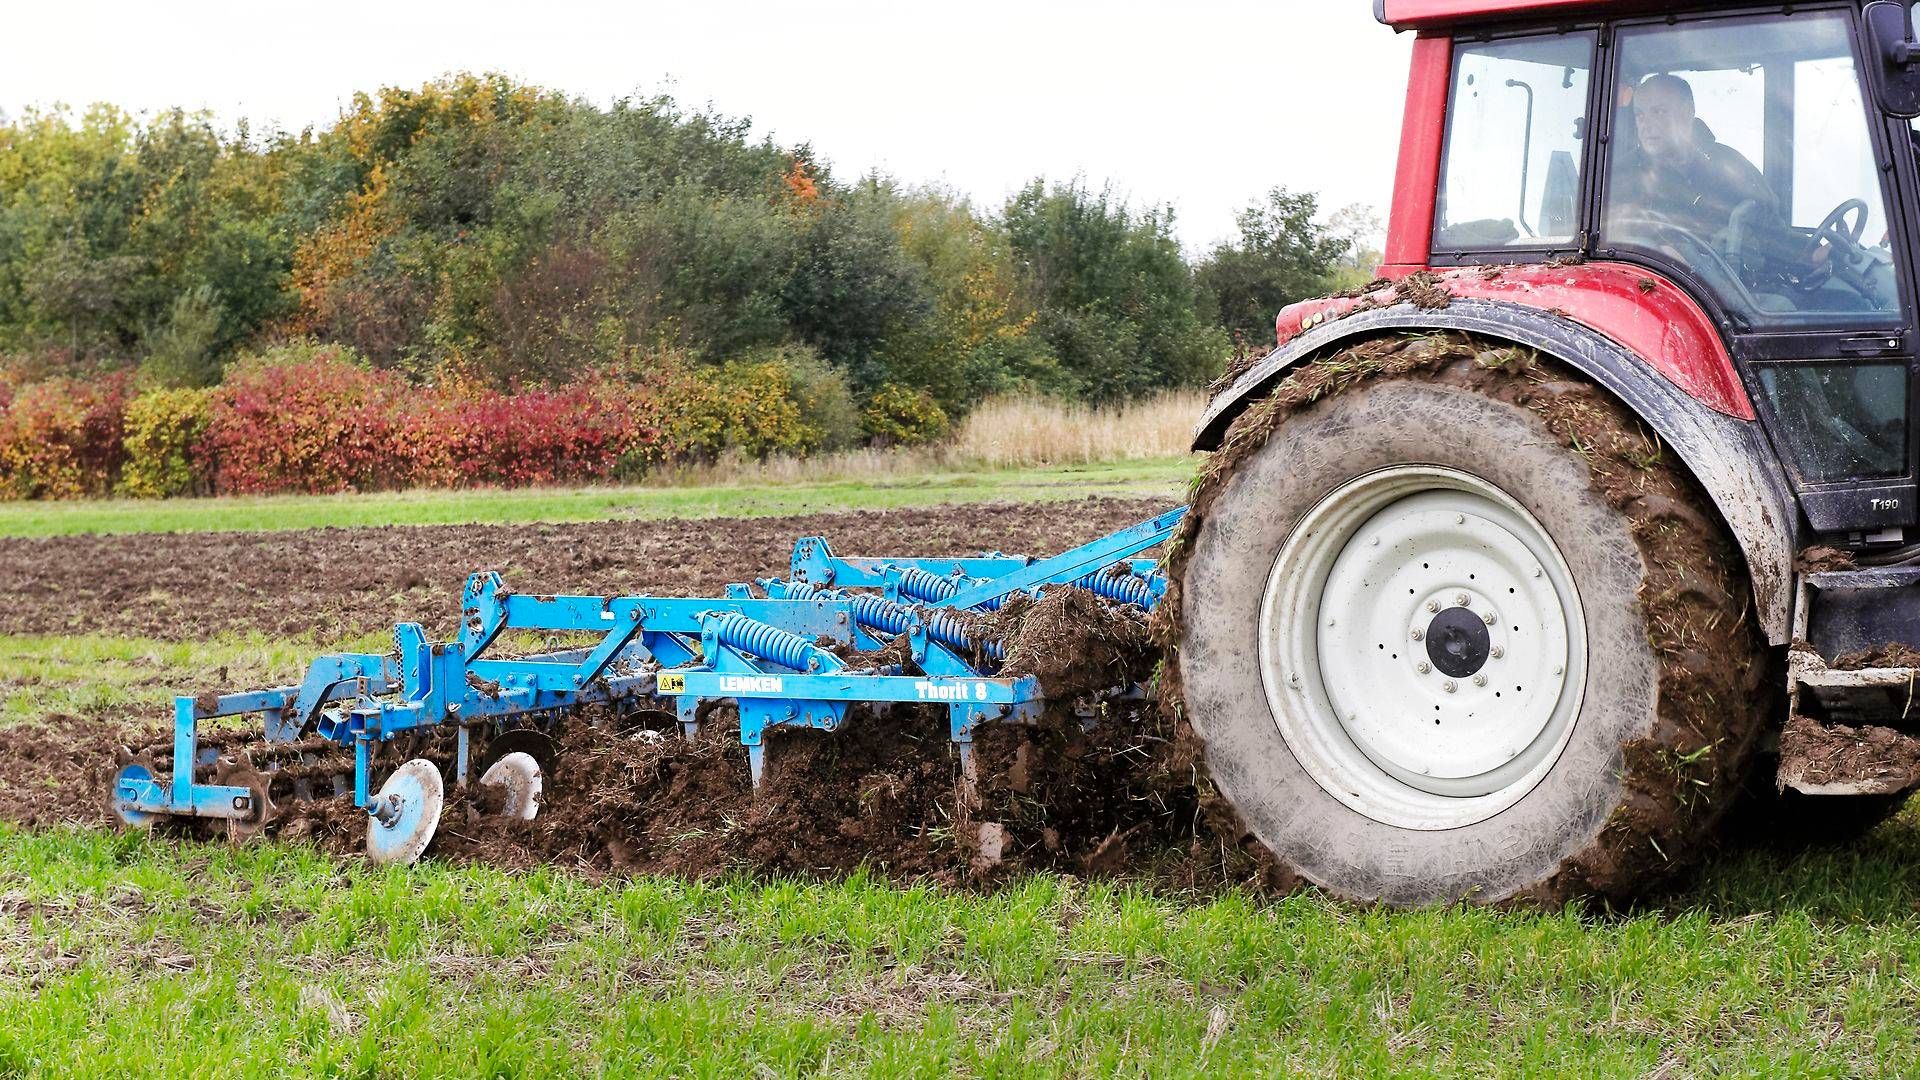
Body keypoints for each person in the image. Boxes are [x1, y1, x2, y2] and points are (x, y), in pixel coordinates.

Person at [1614, 73, 1776, 236]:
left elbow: (1774, 233)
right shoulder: (1621, 177)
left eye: (1659, 112)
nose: (1646, 124)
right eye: (1640, 115)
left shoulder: (1731, 166)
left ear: (1687, 111)